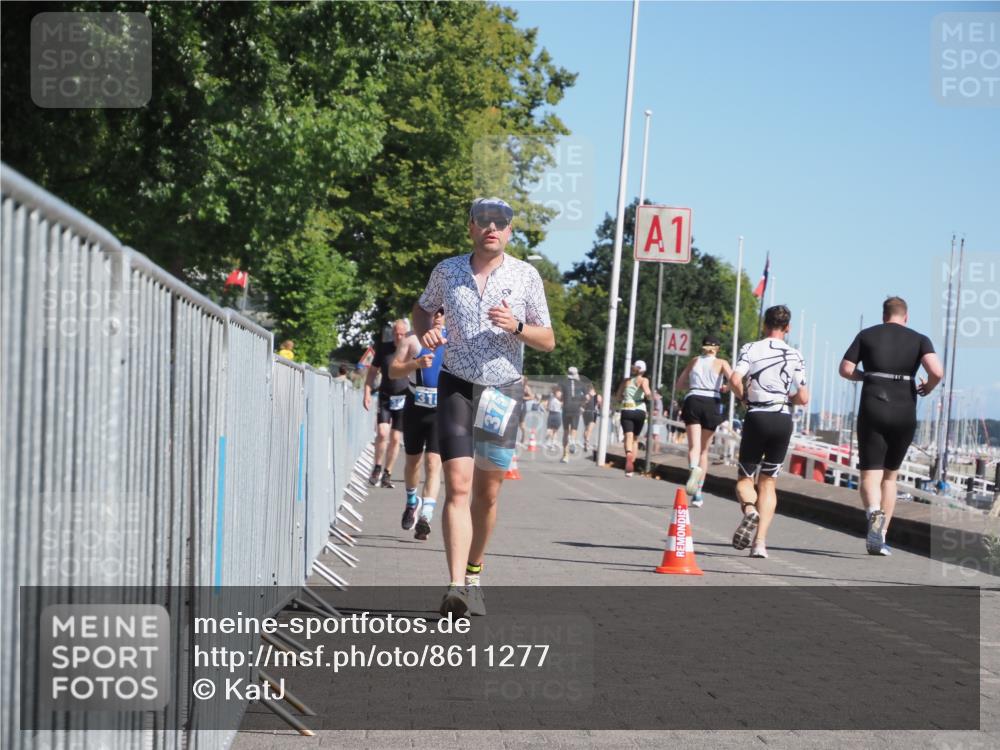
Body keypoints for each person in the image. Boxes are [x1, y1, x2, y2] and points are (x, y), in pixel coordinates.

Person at [413, 197, 553, 617]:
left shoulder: (526, 276)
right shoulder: (448, 270)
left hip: (501, 391)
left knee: (487, 494)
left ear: (509, 232)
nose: (493, 228)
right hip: (456, 384)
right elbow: (422, 310)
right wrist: (426, 334)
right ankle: (455, 586)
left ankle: (474, 573)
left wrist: (518, 327)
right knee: (457, 485)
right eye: (484, 221)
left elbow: (548, 339)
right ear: (471, 227)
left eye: (502, 222)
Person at [839, 296, 943, 556]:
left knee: (869, 474)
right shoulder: (920, 339)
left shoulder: (867, 335)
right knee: (890, 476)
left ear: (884, 315)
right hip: (904, 409)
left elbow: (845, 369)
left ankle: (873, 512)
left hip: (874, 405)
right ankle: (882, 535)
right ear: (905, 316)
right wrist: (927, 388)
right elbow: (937, 371)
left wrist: (866, 377)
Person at [728, 306, 809, 559]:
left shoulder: (751, 348)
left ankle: (750, 510)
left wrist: (744, 399)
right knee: (769, 481)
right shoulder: (795, 355)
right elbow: (804, 397)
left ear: (765, 325)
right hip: (782, 419)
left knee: (745, 478)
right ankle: (760, 543)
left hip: (757, 417)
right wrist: (787, 399)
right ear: (788, 328)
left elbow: (734, 379)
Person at [389, 309, 447, 541]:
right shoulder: (412, 339)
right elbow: (393, 371)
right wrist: (416, 364)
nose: (438, 316)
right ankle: (412, 502)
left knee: (434, 462)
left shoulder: (454, 339)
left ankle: (426, 516)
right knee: (413, 461)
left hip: (440, 409)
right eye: (435, 311)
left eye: (443, 312)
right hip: (415, 406)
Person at [676, 335, 733, 508]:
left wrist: (693, 385)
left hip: (693, 399)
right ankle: (699, 493)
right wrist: (726, 388)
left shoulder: (694, 361)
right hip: (711, 402)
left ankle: (693, 469)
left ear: (702, 347)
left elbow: (679, 384)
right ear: (717, 349)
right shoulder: (722, 363)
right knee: (704, 450)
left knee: (693, 447)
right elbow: (734, 380)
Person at [363, 319, 410, 488]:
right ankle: (377, 467)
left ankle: (387, 473)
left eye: (402, 334)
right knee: (383, 433)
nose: (399, 337)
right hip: (385, 396)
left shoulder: (410, 350)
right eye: (396, 333)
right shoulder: (384, 349)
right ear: (393, 333)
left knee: (396, 438)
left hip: (403, 397)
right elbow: (372, 373)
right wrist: (367, 392)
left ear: (407, 334)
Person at [614, 360, 652, 477]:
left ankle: (628, 454)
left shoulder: (626, 381)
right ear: (643, 370)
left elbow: (618, 396)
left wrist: (624, 398)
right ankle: (631, 467)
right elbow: (647, 393)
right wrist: (650, 398)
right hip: (640, 411)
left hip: (627, 410)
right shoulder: (644, 380)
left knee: (628, 436)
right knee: (635, 438)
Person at [559, 367, 585, 463]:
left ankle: (565, 456)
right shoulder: (581, 384)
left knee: (565, 431)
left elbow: (559, 395)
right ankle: (573, 440)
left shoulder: (563, 383)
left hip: (566, 408)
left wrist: (563, 399)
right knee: (574, 429)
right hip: (576, 408)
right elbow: (586, 396)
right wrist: (582, 405)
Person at [582, 384, 600, 452]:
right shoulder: (597, 396)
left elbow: (583, 404)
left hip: (586, 412)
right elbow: (600, 403)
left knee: (586, 429)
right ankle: (587, 442)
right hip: (593, 412)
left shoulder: (586, 396)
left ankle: (586, 442)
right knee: (589, 429)